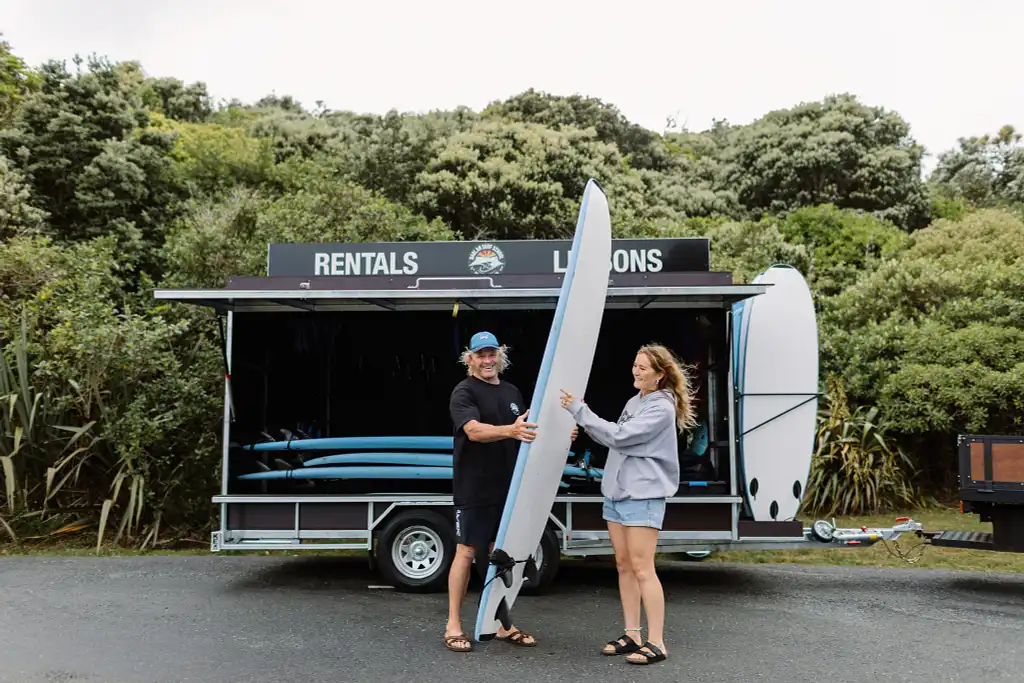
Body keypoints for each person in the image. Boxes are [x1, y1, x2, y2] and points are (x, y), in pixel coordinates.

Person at [559, 343, 697, 666]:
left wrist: (581, 411)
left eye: (643, 368)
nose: (636, 371)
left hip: (643, 495)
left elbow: (620, 437)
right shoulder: (635, 401)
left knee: (642, 568)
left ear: (660, 375)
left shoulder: (661, 407)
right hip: (618, 495)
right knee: (623, 565)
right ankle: (632, 634)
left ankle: (657, 643)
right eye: (634, 365)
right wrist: (585, 426)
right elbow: (613, 436)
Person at [442, 330, 577, 653]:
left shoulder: (511, 391)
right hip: (475, 489)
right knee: (467, 553)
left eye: (492, 354)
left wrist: (562, 434)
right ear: (470, 358)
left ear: (499, 355)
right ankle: (453, 625)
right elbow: (473, 432)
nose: (488, 360)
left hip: (510, 489)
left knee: (502, 559)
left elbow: (528, 433)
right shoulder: (464, 392)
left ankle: (502, 625)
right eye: (481, 355)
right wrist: (511, 431)